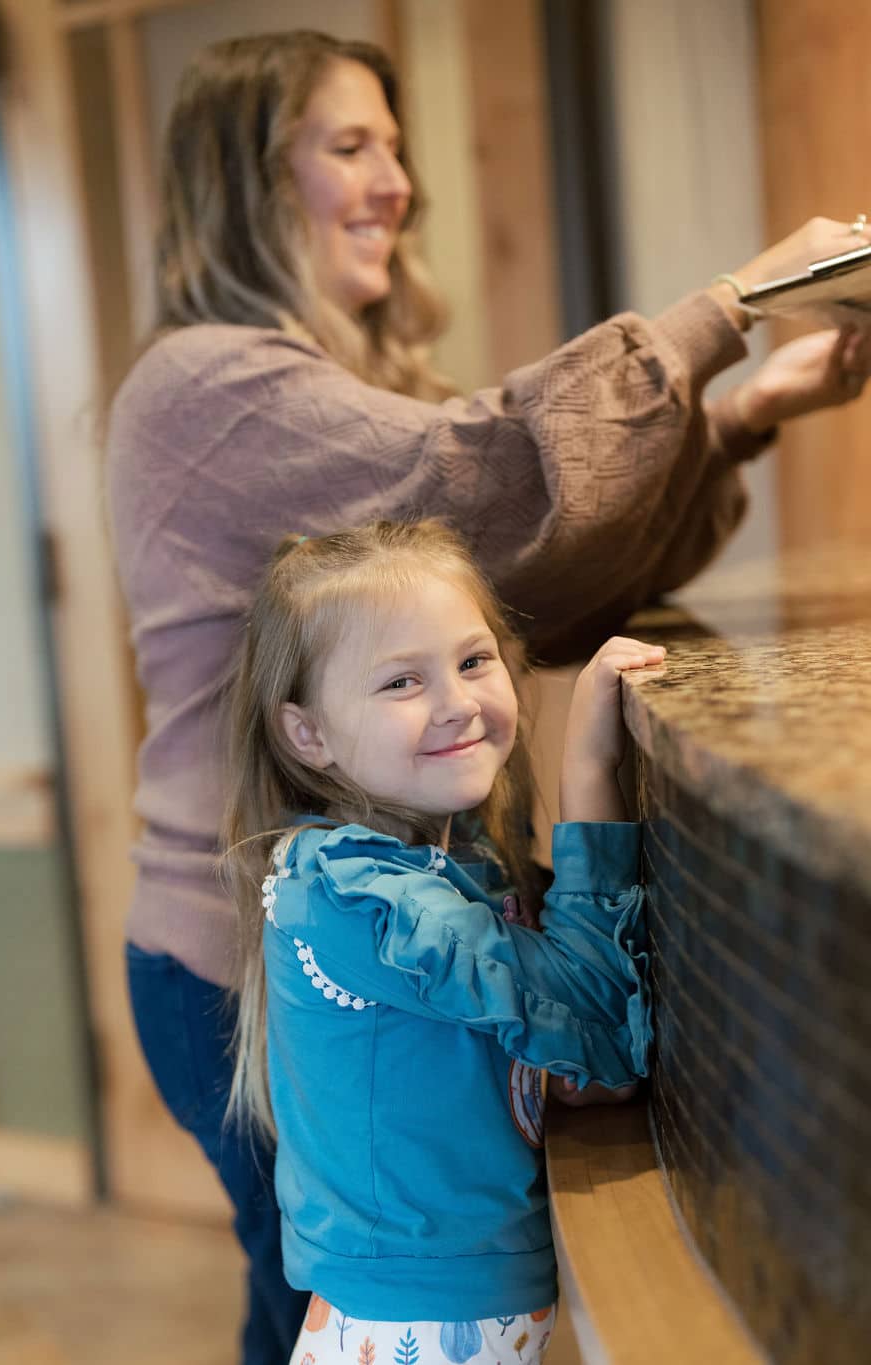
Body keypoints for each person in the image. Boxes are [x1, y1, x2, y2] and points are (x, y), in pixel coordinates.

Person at [106, 28, 871, 1364]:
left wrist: (744, 413)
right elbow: (505, 473)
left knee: (317, 1311)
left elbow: (542, 576)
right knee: (313, 1304)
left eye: (397, 145)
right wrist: (735, 304)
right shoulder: (207, 384)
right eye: (351, 144)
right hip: (241, 965)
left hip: (385, 947)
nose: (397, 179)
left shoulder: (342, 389)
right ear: (243, 177)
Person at [221, 518, 659, 1364]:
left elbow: (564, 1060)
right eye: (400, 682)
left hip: (438, 1303)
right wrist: (591, 772)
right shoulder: (361, 896)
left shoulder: (448, 857)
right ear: (307, 733)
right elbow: (597, 1021)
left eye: (471, 659)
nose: (457, 701)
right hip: (415, 1317)